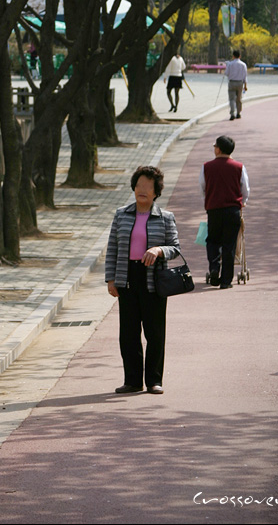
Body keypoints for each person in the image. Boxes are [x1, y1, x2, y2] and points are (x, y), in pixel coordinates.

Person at [105, 166, 181, 395]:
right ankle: (132, 380)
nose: (142, 190)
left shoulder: (165, 217)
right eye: (139, 185)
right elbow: (112, 249)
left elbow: (175, 249)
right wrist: (110, 279)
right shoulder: (121, 214)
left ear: (156, 191)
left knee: (154, 332)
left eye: (148, 186)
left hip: (153, 280)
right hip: (126, 277)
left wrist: (159, 250)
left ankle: (154, 381)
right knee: (128, 333)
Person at [199, 136, 250, 289]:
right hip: (232, 210)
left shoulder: (206, 166)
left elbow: (202, 187)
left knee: (213, 240)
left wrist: (209, 200)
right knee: (229, 243)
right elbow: (245, 189)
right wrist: (243, 202)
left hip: (213, 209)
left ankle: (214, 269)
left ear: (218, 149)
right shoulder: (239, 167)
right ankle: (226, 281)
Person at [225, 50, 248, 120]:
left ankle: (232, 113)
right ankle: (238, 113)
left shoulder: (230, 64)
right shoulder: (243, 65)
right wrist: (245, 86)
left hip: (232, 82)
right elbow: (245, 76)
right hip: (240, 83)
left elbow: (226, 73)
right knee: (239, 98)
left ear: (233, 56)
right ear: (240, 56)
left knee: (232, 99)